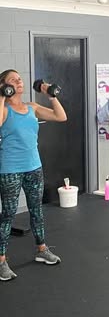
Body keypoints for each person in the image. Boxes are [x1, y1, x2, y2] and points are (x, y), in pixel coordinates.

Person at [0, 69, 67, 281]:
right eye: (13, 80)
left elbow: (61, 116)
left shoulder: (32, 107)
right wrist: (1, 95)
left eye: (19, 79)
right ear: (5, 85)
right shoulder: (4, 110)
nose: (19, 82)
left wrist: (51, 94)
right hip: (10, 169)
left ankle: (42, 250)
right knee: (8, 215)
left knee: (36, 210)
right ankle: (1, 261)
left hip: (34, 167)